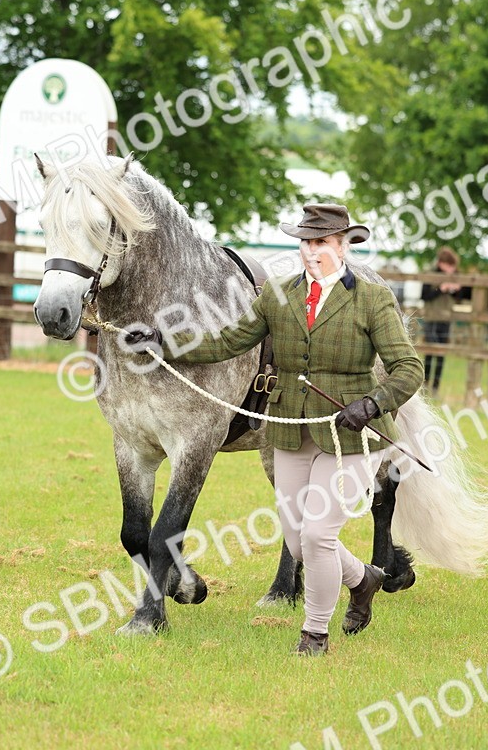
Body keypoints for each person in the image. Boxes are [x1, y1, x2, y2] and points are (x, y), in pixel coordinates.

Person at [122, 203, 424, 657]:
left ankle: (314, 634)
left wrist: (372, 403)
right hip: (289, 433)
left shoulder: (372, 299)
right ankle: (363, 579)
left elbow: (408, 369)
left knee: (318, 536)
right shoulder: (279, 295)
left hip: (347, 434)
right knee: (299, 542)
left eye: (323, 242)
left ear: (344, 246)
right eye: (306, 242)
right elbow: (228, 342)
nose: (312, 251)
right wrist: (164, 343)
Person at [419, 247, 471, 396]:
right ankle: (426, 384)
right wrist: (441, 289)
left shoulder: (454, 276)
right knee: (430, 352)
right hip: (432, 318)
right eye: (450, 266)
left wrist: (456, 289)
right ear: (442, 263)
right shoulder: (430, 274)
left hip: (446, 318)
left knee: (442, 353)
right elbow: (424, 295)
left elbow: (463, 297)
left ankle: (436, 386)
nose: (452, 270)